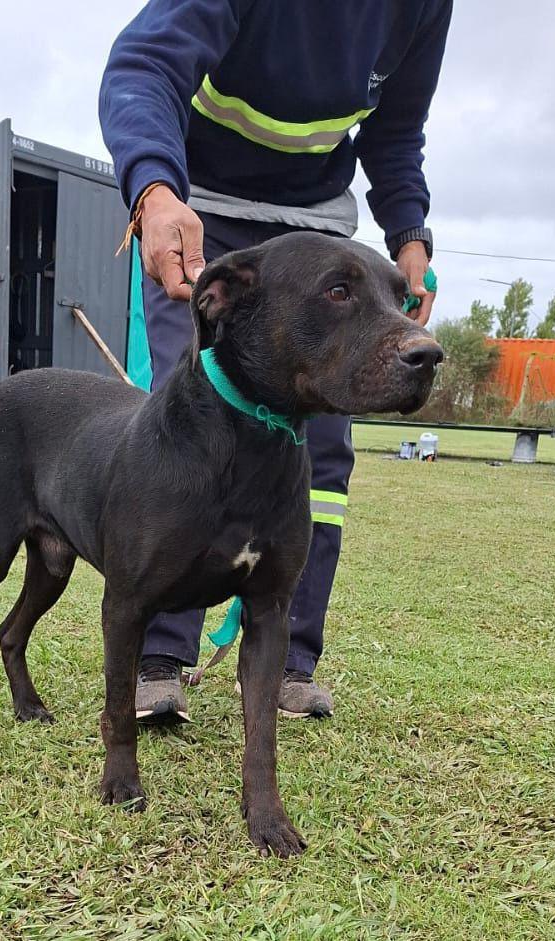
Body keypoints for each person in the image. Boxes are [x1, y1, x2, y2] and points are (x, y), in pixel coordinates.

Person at [99, 0, 452, 723]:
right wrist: (155, 191)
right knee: (180, 435)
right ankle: (160, 657)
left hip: (320, 228)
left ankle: (288, 658)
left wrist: (409, 233)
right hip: (200, 211)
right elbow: (144, 65)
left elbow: (396, 129)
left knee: (322, 460)